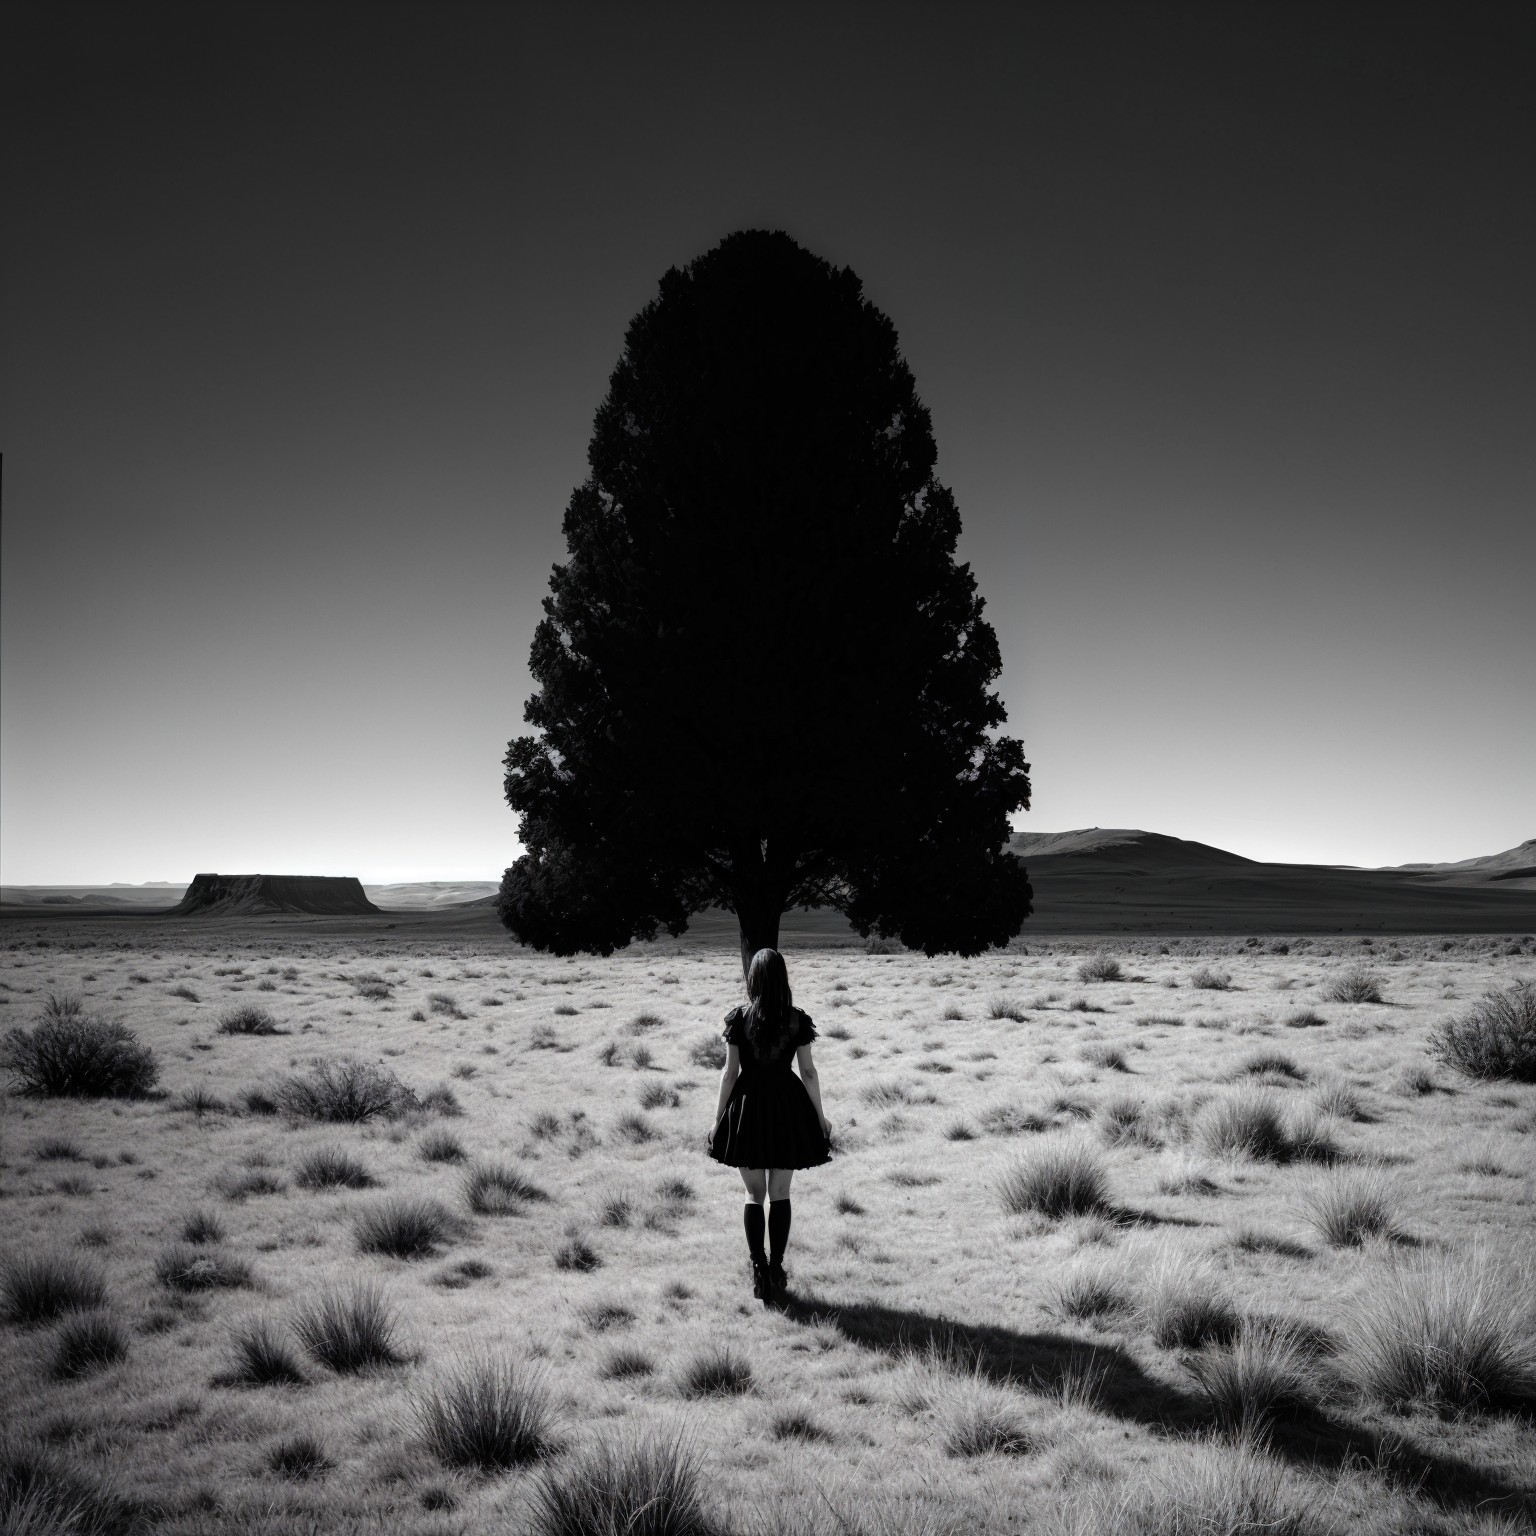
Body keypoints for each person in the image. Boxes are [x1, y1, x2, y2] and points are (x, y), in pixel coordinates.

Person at [707, 947, 831, 1304]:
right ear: (783, 977)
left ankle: (758, 1267)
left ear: (753, 978)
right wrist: (820, 1117)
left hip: (747, 1109)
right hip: (787, 1109)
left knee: (753, 1194)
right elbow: (807, 1071)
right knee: (780, 1193)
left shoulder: (738, 1019)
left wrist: (718, 1121)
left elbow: (730, 1073)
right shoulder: (796, 1020)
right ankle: (777, 1267)